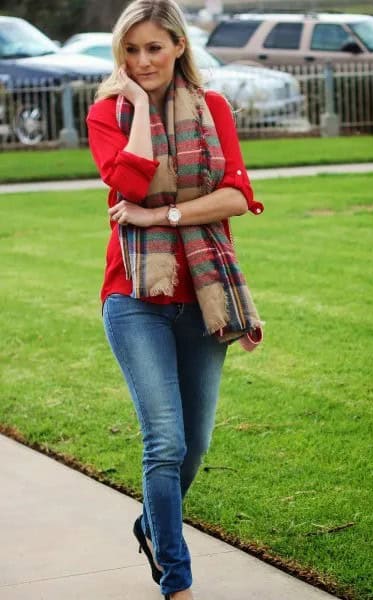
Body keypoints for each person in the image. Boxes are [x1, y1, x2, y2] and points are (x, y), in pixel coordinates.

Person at [86, 1, 263, 598]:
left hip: (204, 298)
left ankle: (151, 525)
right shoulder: (107, 113)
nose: (141, 62)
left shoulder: (213, 109)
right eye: (130, 51)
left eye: (153, 48)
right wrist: (136, 106)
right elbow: (128, 181)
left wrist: (161, 215)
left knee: (195, 446)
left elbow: (238, 196)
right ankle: (177, 580)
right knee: (164, 441)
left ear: (179, 47)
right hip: (134, 295)